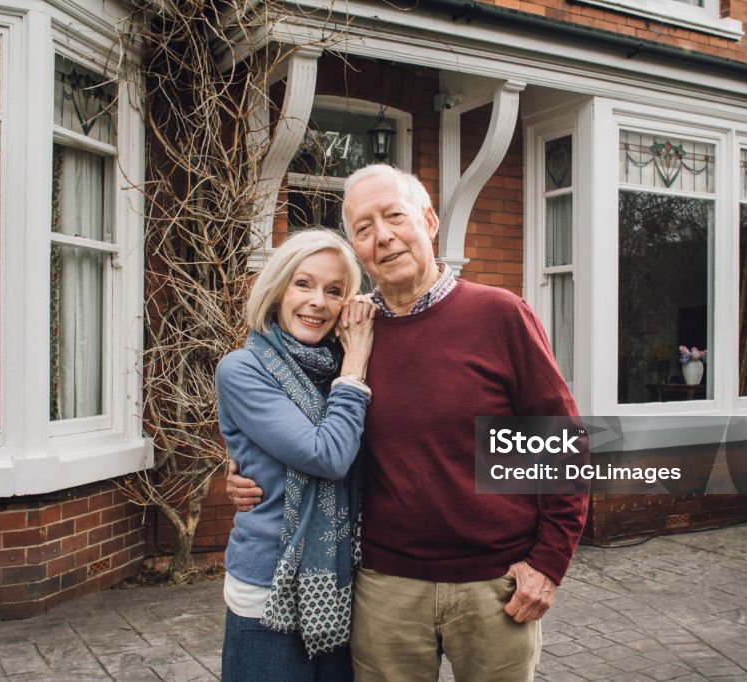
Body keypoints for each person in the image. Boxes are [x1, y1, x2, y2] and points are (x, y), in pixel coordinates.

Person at [228, 165, 589, 681]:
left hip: (494, 586)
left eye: (394, 216)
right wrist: (247, 473)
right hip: (383, 587)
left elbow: (560, 447)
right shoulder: (347, 335)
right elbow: (303, 422)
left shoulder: (500, 316)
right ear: (357, 246)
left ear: (429, 221)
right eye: (364, 228)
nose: (383, 236)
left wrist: (549, 564)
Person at [217, 229, 376, 681]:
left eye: (334, 291)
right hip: (268, 588)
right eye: (303, 284)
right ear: (277, 289)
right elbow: (326, 455)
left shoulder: (339, 365)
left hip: (343, 587)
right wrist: (354, 370)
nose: (318, 303)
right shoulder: (242, 368)